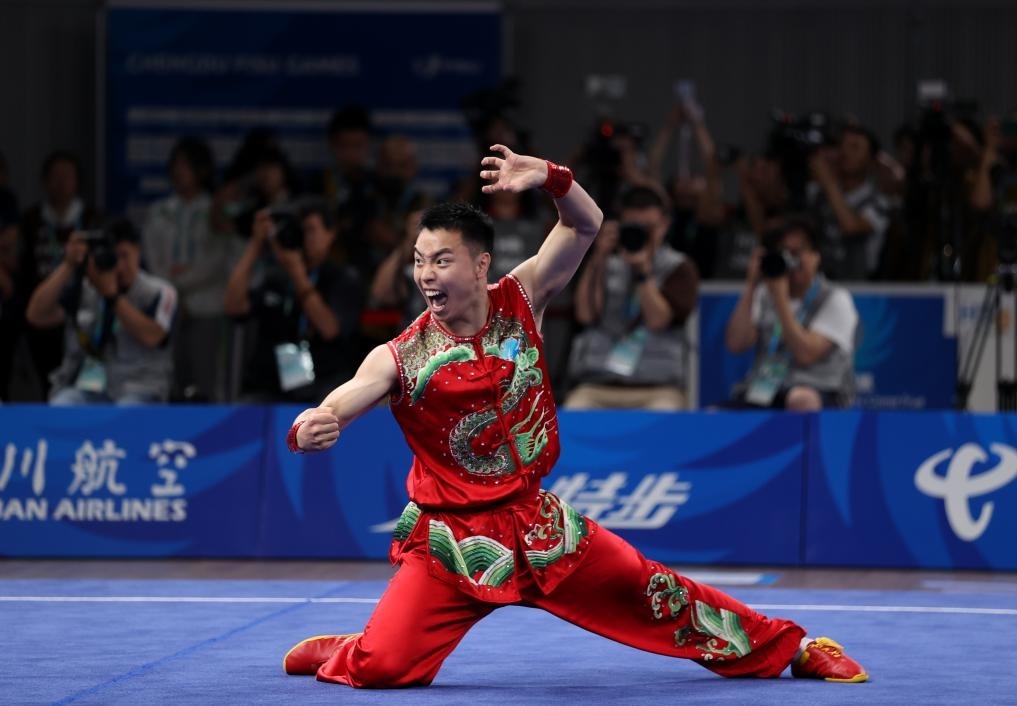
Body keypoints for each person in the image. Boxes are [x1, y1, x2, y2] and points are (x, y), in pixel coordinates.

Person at [279, 145, 868, 688]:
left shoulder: (522, 297)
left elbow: (585, 225)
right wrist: (314, 424)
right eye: (419, 261)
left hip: (539, 528)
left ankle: (794, 648)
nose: (426, 275)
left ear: (481, 265)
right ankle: (358, 646)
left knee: (655, 591)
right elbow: (345, 398)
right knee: (382, 667)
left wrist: (553, 178)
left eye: (441, 260)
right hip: (454, 540)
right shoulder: (402, 354)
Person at [564, 185, 699, 411]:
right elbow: (585, 314)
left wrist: (643, 273)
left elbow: (657, 321)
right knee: (575, 410)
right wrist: (598, 257)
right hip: (599, 382)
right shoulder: (604, 262)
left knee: (664, 412)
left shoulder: (679, 267)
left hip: (658, 386)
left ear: (664, 225)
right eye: (634, 227)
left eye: (649, 228)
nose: (642, 235)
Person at [223, 197, 363, 403]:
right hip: (269, 384)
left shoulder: (343, 278)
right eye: (300, 230)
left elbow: (330, 329)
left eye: (310, 230)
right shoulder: (276, 277)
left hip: (324, 382)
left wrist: (296, 271)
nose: (304, 237)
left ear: (330, 234)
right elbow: (233, 307)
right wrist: (256, 244)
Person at [25, 219, 177, 405]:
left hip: (139, 388)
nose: (119, 266)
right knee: (62, 405)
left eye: (125, 256)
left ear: (137, 251)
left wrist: (112, 296)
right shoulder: (85, 289)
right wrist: (69, 264)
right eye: (113, 257)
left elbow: (153, 336)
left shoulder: (159, 291)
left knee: (125, 411)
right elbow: (36, 315)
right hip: (88, 386)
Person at [724, 217, 859, 411]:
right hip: (766, 389)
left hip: (820, 390)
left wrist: (780, 299)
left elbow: (805, 353)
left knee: (801, 399)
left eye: (797, 253)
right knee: (713, 415)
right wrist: (751, 284)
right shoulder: (764, 294)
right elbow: (736, 343)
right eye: (784, 253)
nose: (791, 261)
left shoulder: (836, 299)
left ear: (816, 256)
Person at [141, 136, 233, 401]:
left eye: (187, 165)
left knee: (206, 380)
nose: (179, 172)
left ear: (202, 169)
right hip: (167, 308)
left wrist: (180, 284)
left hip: (206, 306)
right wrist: (171, 289)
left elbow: (217, 259)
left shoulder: (215, 210)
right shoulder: (159, 211)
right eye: (176, 165)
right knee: (170, 379)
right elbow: (152, 257)